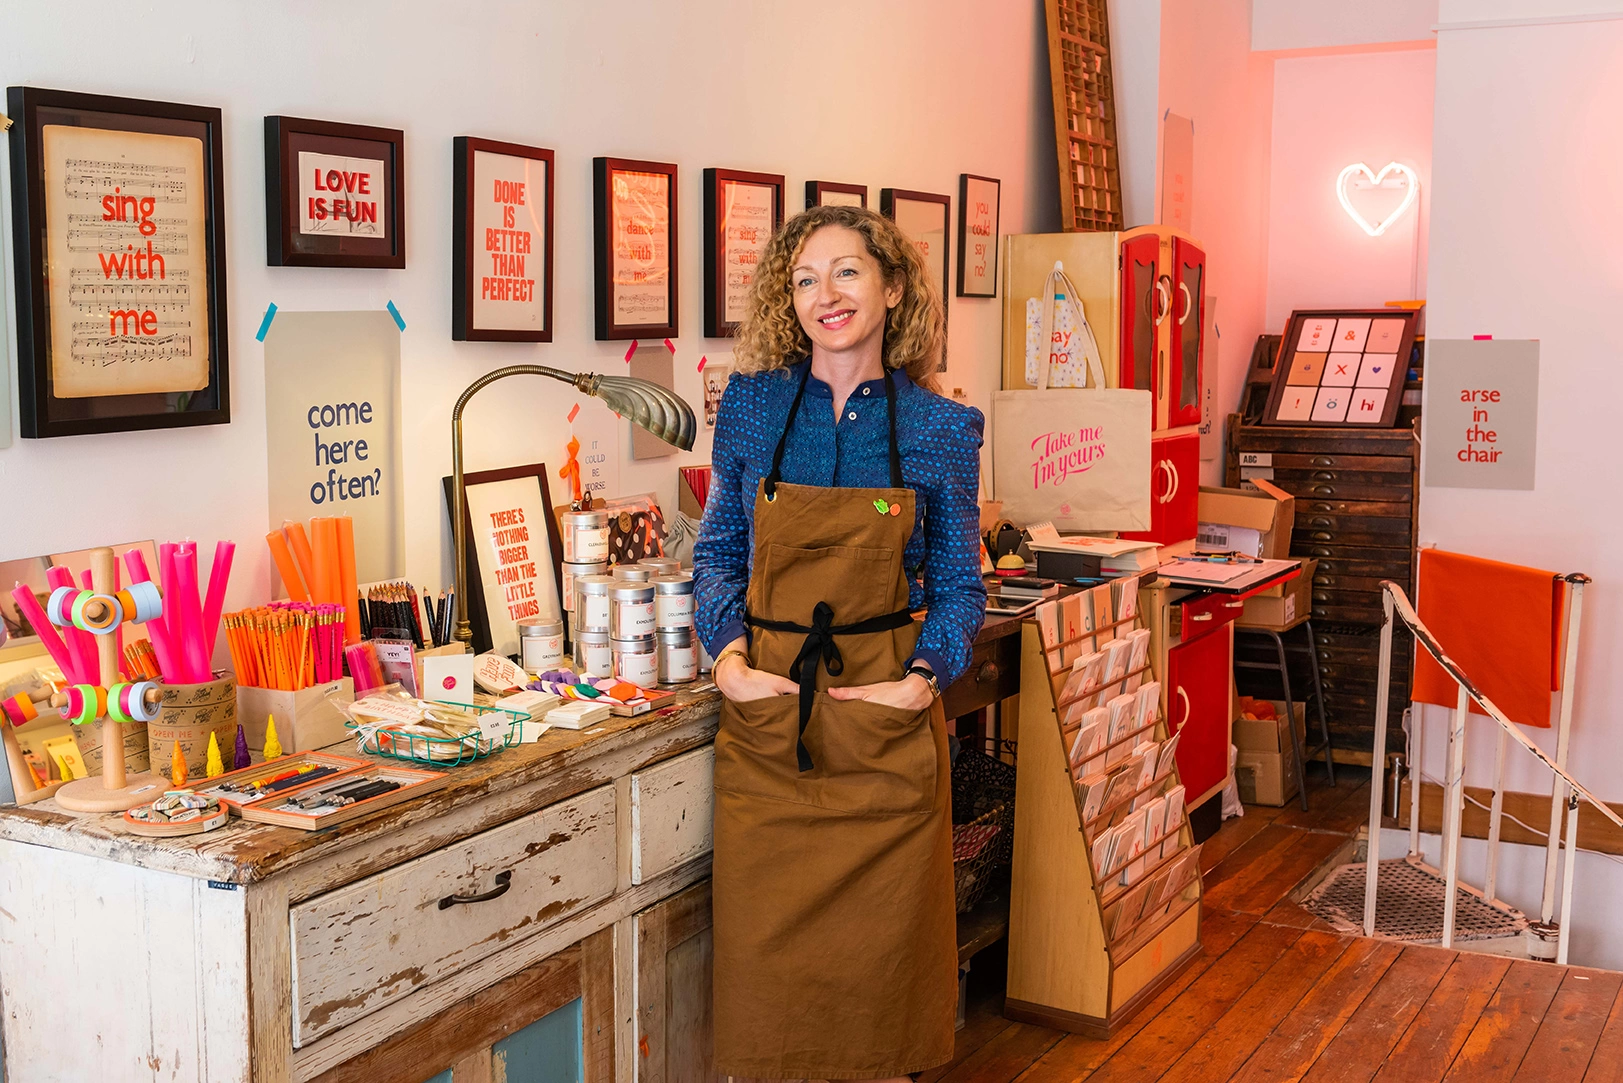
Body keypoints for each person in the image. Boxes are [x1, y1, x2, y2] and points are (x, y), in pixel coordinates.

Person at [693, 204, 987, 1082]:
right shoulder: (750, 404)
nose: (827, 294)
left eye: (847, 271)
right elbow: (717, 552)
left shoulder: (940, 426)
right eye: (805, 278)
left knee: (881, 992)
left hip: (883, 719)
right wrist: (729, 662)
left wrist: (921, 682)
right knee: (765, 980)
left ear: (892, 286)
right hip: (770, 723)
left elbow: (961, 585)